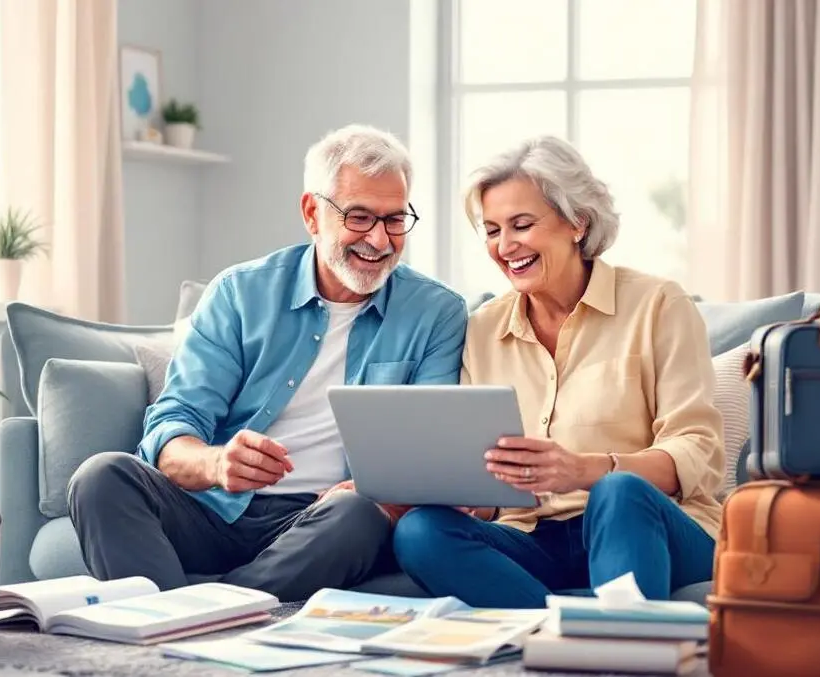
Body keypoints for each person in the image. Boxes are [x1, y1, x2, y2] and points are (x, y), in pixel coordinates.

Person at [67, 124, 468, 601]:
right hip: (215, 509)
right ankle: (196, 616)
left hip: (326, 522)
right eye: (359, 217)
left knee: (360, 513)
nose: (380, 240)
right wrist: (217, 464)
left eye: (395, 219)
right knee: (100, 477)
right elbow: (174, 423)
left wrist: (368, 490)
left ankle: (188, 615)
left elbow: (428, 454)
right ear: (312, 213)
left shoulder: (436, 312)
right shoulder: (240, 293)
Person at [392, 135, 724, 609]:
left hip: (643, 522)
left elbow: (698, 451)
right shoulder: (483, 329)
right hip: (533, 536)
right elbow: (489, 490)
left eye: (521, 225)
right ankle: (565, 626)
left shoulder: (658, 305)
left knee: (619, 491)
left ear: (577, 221)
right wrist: (467, 494)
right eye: (491, 230)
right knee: (421, 531)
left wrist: (585, 470)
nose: (505, 246)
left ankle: (604, 633)